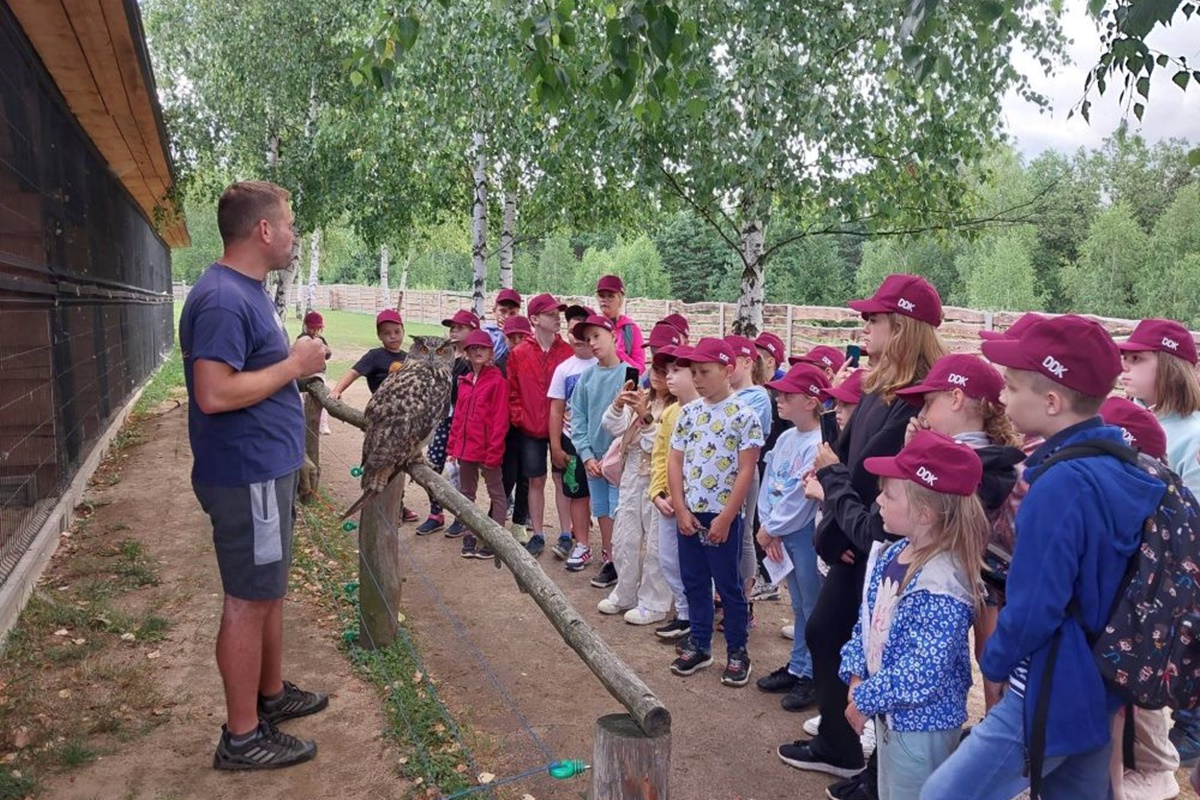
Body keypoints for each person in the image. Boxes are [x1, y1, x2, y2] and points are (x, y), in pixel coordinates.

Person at [922, 314, 1166, 800]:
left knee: (942, 794)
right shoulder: (1121, 461)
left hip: (1048, 682)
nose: (1004, 398)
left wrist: (994, 660)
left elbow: (1035, 607)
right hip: (1100, 679)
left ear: (1052, 402)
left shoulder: (1058, 483)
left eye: (1011, 387)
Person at [181, 181, 328, 770]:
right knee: (247, 599)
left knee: (266, 592)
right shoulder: (221, 298)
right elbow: (213, 393)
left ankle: (270, 696)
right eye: (288, 224)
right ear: (264, 230)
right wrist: (295, 364)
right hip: (248, 477)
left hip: (264, 473)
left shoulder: (243, 292)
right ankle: (242, 736)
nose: (294, 236)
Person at [778, 273, 945, 785]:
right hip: (855, 543)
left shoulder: (914, 404)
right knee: (831, 634)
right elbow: (852, 464)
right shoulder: (880, 389)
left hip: (880, 549)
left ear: (901, 327)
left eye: (873, 320)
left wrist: (836, 494)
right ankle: (844, 746)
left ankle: (864, 761)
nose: (864, 329)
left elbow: (881, 495)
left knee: (870, 651)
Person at [839, 431, 989, 800]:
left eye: (889, 494)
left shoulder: (943, 583)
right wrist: (856, 675)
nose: (878, 500)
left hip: (922, 729)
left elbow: (921, 672)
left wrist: (864, 698)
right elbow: (867, 620)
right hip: (892, 716)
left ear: (924, 512)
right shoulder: (894, 555)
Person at [894, 354, 1023, 712]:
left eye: (929, 403)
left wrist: (915, 456)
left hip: (980, 582)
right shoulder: (1000, 458)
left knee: (988, 663)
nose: (922, 416)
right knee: (991, 664)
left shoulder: (964, 462)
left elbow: (913, 511)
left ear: (955, 398)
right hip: (986, 583)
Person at [1117, 317, 1200, 792]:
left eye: (1138, 359)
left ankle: (1192, 725)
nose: (1125, 368)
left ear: (1169, 366)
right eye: (1124, 359)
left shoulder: (1190, 434)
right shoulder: (1133, 420)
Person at [1096, 397, 1180, 800]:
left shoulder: (1149, 501)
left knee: (1140, 695)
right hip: (1131, 621)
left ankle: (1155, 769)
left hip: (1143, 623)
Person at [668, 338, 765, 687]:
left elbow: (745, 470)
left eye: (704, 372)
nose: (696, 379)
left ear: (727, 370)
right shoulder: (689, 413)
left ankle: (738, 651)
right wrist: (679, 507)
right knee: (694, 581)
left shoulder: (744, 415)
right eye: (692, 372)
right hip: (690, 514)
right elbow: (675, 460)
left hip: (722, 516)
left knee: (728, 585)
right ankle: (700, 643)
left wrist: (727, 517)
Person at [755, 363, 829, 712]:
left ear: (812, 401)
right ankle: (798, 665)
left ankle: (813, 674)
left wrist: (772, 527)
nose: (779, 399)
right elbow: (770, 481)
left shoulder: (818, 444)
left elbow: (800, 496)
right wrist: (767, 522)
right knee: (798, 604)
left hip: (801, 533)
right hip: (781, 531)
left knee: (812, 606)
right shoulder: (786, 436)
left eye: (788, 395)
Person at [597, 352, 674, 623]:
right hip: (632, 474)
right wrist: (619, 404)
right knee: (625, 536)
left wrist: (645, 416)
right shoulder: (645, 397)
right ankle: (625, 592)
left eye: (666, 371)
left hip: (658, 478)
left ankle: (654, 602)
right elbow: (612, 426)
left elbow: (660, 447)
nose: (657, 374)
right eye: (656, 368)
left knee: (655, 543)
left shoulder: (679, 408)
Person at [329, 309, 420, 523]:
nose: (393, 336)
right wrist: (337, 390)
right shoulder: (374, 356)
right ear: (380, 335)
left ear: (403, 331)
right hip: (381, 418)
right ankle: (381, 507)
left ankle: (397, 505)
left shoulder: (410, 358)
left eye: (397, 331)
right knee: (378, 460)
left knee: (397, 464)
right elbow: (354, 372)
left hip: (403, 420)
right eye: (387, 333)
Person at [507, 293, 573, 557]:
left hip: (562, 428)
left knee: (561, 480)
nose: (557, 317)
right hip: (531, 429)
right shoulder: (519, 353)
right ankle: (538, 533)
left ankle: (566, 534)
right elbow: (512, 392)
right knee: (535, 480)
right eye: (550, 313)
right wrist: (520, 418)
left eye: (558, 313)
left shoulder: (568, 352)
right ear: (534, 319)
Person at [569, 314, 629, 581]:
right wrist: (586, 455)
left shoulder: (629, 373)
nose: (592, 343)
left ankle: (622, 560)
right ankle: (610, 556)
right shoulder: (587, 378)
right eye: (587, 339)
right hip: (593, 460)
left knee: (619, 509)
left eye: (597, 336)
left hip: (619, 459)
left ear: (613, 335)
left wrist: (615, 455)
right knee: (602, 508)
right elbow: (577, 417)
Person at [415, 309, 479, 536]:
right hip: (442, 419)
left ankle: (461, 516)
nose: (453, 331)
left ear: (473, 330)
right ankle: (435, 513)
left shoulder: (474, 359)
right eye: (452, 327)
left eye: (459, 327)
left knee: (459, 470)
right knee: (433, 463)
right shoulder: (444, 354)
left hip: (464, 423)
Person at [447, 329, 509, 559]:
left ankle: (496, 538)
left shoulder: (497, 382)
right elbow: (459, 416)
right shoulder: (463, 381)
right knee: (466, 493)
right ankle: (469, 534)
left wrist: (494, 451)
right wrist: (453, 446)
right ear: (466, 354)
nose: (477, 352)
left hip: (487, 449)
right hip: (465, 449)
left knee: (496, 492)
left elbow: (500, 420)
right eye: (473, 348)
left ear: (491, 352)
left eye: (482, 348)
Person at [649, 345, 695, 638]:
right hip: (667, 501)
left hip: (694, 505)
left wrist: (683, 503)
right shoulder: (669, 413)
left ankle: (697, 615)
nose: (669, 376)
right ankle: (684, 612)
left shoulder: (706, 412)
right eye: (667, 371)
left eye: (677, 371)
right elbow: (660, 455)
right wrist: (656, 493)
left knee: (695, 564)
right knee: (668, 559)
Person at [547, 305, 597, 561]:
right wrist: (556, 446)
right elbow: (556, 410)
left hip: (600, 442)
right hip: (571, 440)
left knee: (603, 495)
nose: (576, 337)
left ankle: (611, 549)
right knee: (575, 491)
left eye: (582, 331)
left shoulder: (605, 365)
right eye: (571, 331)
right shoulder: (564, 369)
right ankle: (578, 540)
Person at [596, 275, 645, 372]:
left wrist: (617, 353)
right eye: (601, 295)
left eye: (610, 296)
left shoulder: (630, 329)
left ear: (620, 299)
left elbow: (640, 369)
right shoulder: (593, 327)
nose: (605, 300)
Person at [296, 310, 332, 434]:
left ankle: (323, 424)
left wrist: (326, 351)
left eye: (318, 329)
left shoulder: (321, 339)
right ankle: (301, 422)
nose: (315, 332)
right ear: (307, 327)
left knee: (322, 396)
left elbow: (328, 355)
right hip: (304, 374)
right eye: (313, 328)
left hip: (318, 373)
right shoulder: (302, 339)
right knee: (300, 399)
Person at [481, 288, 522, 372]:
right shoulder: (486, 333)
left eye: (512, 313)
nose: (507, 316)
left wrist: (508, 335)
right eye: (503, 311)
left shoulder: (522, 336)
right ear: (494, 311)